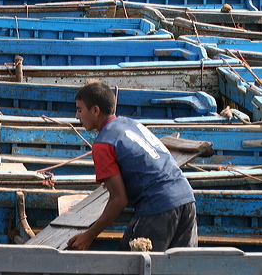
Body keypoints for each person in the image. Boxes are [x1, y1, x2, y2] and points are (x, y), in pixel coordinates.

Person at [67, 81, 198, 251]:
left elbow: (119, 200)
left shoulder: (103, 143)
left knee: (130, 270)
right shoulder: (131, 124)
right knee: (183, 271)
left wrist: (89, 235)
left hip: (157, 205)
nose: (77, 117)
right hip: (186, 197)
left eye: (79, 110)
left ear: (95, 110)